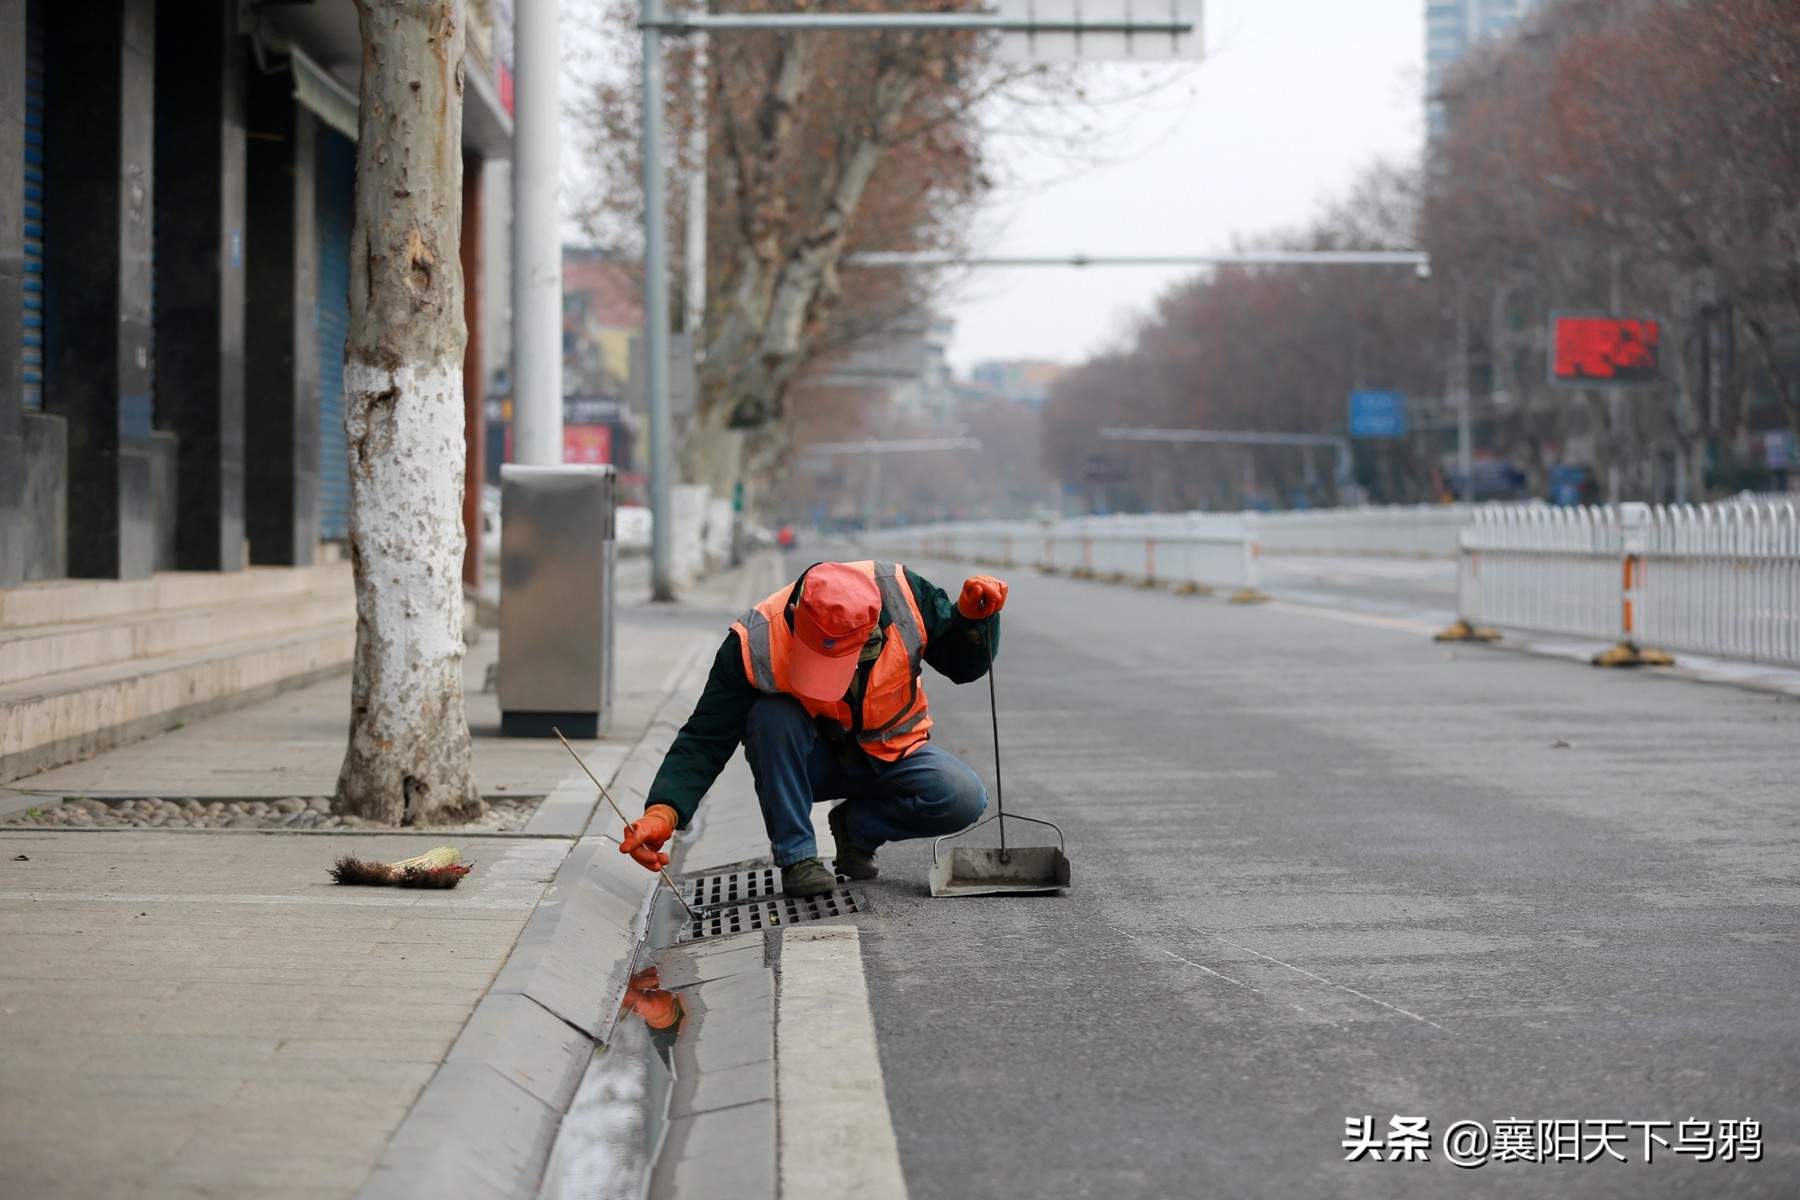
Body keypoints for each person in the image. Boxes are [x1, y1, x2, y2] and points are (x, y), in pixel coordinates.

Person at [619, 559, 1009, 896]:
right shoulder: (754, 641)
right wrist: (662, 812)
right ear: (797, 615)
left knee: (963, 797)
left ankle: (857, 829)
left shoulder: (907, 596)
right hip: (810, 763)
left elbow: (962, 666)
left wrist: (972, 621)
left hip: (892, 755)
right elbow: (706, 738)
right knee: (769, 715)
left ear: (871, 633)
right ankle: (798, 858)